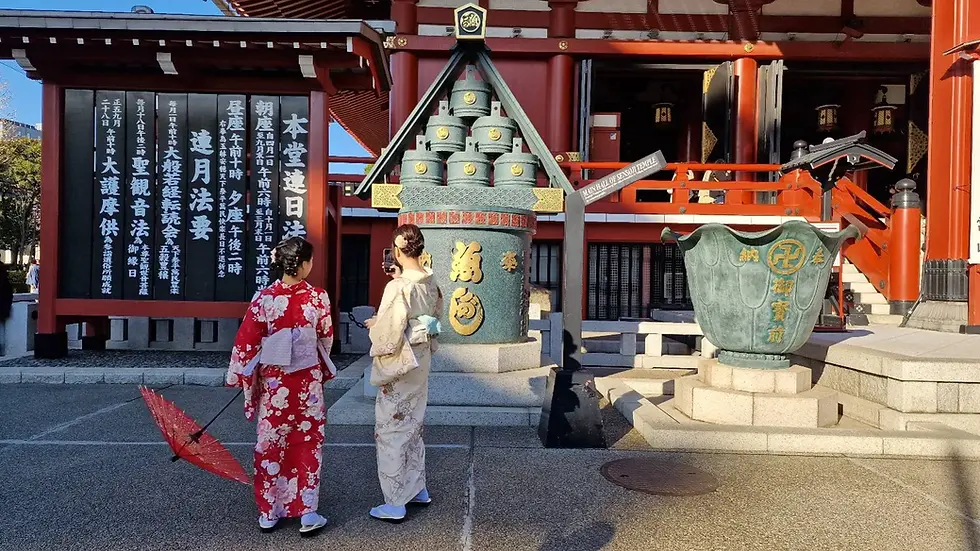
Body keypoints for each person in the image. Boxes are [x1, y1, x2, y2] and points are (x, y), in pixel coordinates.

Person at [226, 237, 336, 536]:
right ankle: (307, 511)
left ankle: (269, 512)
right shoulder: (318, 298)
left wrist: (241, 375)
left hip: (275, 386)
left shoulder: (264, 298)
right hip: (307, 383)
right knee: (307, 442)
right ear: (303, 264)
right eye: (310, 260)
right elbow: (325, 338)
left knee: (270, 443)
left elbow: (247, 341)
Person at [365, 224, 442, 523]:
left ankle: (395, 501)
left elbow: (390, 331)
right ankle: (417, 487)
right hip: (420, 357)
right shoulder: (429, 279)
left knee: (392, 427)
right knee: (413, 423)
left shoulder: (398, 287)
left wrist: (376, 325)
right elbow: (434, 314)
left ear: (397, 250)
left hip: (401, 359)